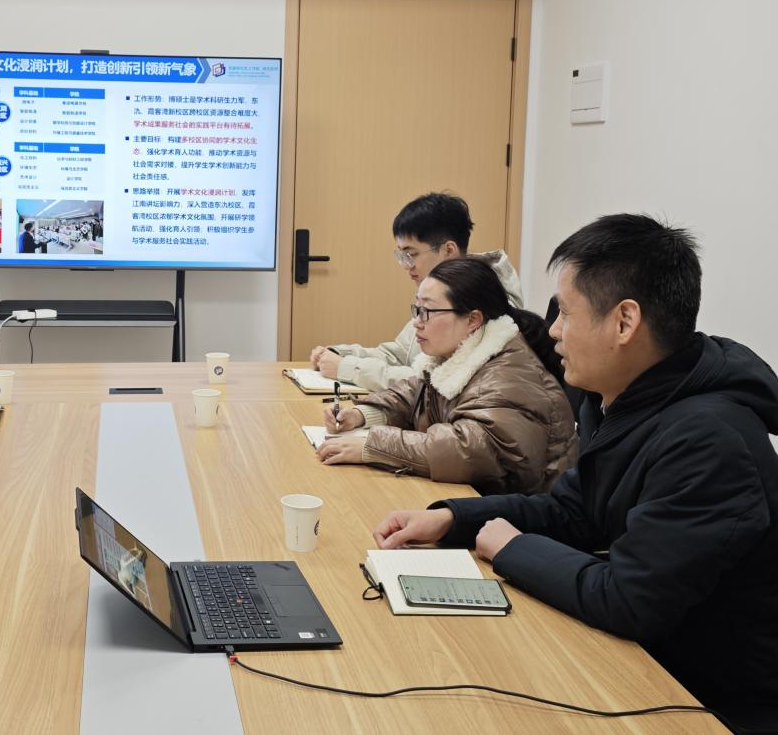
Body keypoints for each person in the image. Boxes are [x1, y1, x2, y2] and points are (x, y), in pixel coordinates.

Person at [373, 215, 778, 730]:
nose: (553, 331)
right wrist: (455, 519)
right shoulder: (619, 398)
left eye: (565, 313)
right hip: (645, 667)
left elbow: (630, 599)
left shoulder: (708, 439)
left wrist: (513, 548)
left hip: (705, 702)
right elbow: (574, 511)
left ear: (625, 322)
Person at [318, 258, 576, 495]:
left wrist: (373, 445)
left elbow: (467, 449)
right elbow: (414, 394)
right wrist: (362, 415)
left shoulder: (509, 376)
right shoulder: (460, 353)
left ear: (473, 320)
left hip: (522, 519)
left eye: (428, 312)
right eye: (417, 309)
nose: (417, 322)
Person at [310, 192, 522, 390]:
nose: (406, 265)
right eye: (401, 256)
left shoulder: (489, 305)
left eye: (411, 254)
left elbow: (435, 382)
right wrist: (340, 354)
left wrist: (348, 368)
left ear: (448, 250)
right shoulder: (438, 293)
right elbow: (399, 354)